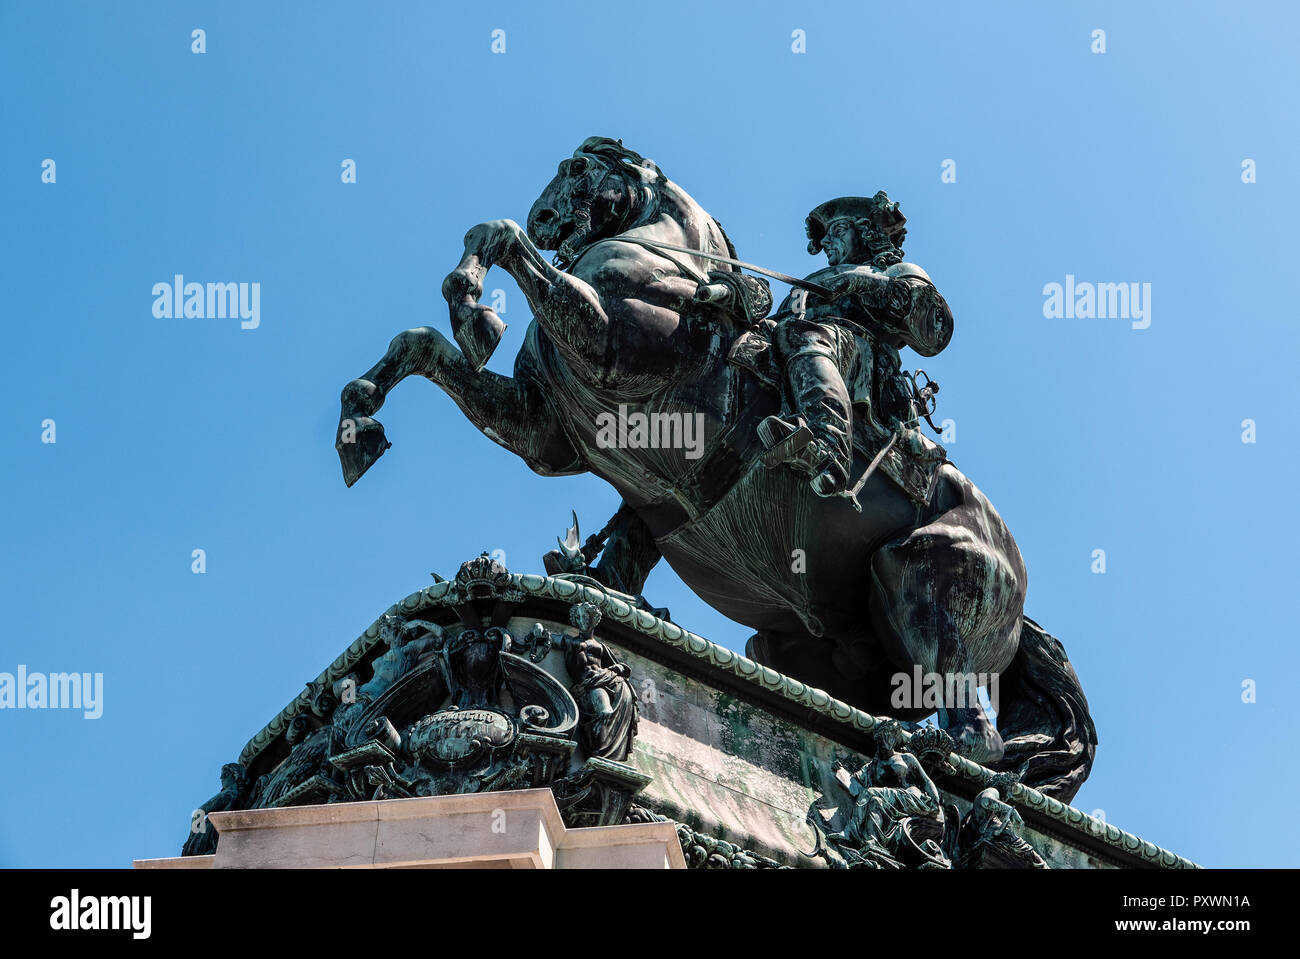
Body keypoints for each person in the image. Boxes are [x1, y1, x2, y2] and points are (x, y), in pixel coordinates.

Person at [758, 192, 954, 495]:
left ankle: (828, 446)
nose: (826, 242)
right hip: (795, 345)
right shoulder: (815, 279)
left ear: (864, 234)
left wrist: (861, 282)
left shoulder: (894, 272)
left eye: (837, 230)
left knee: (803, 335)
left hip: (860, 361)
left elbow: (934, 332)